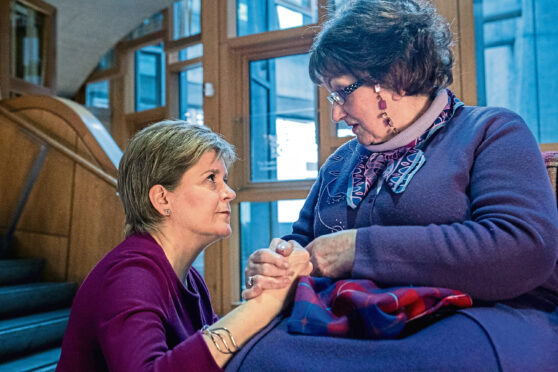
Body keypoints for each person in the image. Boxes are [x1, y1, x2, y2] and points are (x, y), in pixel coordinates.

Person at [238, 0, 558, 370]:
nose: (336, 113)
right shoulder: (341, 162)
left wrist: (358, 249)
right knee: (254, 355)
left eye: (342, 91)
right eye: (331, 95)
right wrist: (278, 260)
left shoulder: (490, 131)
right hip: (352, 318)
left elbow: (523, 248)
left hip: (472, 316)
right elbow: (302, 240)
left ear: (394, 78)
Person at [56, 120, 311, 372]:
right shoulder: (130, 275)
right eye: (211, 178)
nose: (230, 192)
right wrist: (264, 305)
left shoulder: (191, 279)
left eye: (225, 179)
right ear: (162, 198)